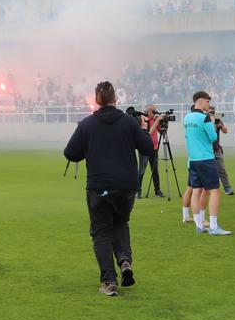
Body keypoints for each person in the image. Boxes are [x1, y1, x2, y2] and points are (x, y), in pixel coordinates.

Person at [63, 81, 156, 295]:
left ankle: (109, 281)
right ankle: (124, 261)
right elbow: (148, 148)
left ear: (97, 100)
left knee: (101, 232)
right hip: (126, 186)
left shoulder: (87, 125)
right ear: (116, 99)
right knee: (121, 223)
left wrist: (90, 149)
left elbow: (70, 153)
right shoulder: (128, 123)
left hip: (99, 187)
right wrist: (142, 128)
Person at [182, 91, 229, 235]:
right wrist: (213, 123)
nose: (209, 104)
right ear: (201, 101)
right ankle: (214, 227)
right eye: (208, 101)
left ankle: (199, 225)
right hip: (206, 158)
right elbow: (213, 137)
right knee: (214, 191)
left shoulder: (187, 117)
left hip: (194, 159)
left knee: (196, 191)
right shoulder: (205, 118)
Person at [136, 104, 166, 199]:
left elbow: (160, 132)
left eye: (155, 111)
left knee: (155, 171)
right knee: (141, 171)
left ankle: (157, 191)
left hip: (154, 149)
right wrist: (157, 121)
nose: (154, 113)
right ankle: (138, 192)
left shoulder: (154, 120)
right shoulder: (143, 120)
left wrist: (163, 124)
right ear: (148, 111)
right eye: (153, 111)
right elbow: (148, 133)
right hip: (144, 149)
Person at [211, 110, 235, 196]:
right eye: (211, 112)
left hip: (217, 149)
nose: (212, 114)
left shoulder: (218, 120)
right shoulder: (204, 121)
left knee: (222, 170)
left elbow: (225, 131)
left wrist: (220, 126)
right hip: (207, 150)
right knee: (209, 171)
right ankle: (208, 188)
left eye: (213, 112)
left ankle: (227, 188)